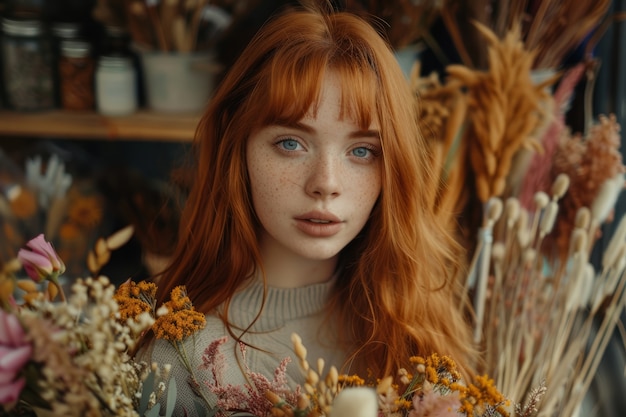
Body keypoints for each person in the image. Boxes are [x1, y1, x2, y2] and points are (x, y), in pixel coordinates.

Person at [139, 2, 477, 415]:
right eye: (290, 143)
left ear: (393, 168)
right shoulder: (181, 360)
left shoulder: (416, 326)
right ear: (237, 149)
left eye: (361, 150)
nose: (326, 184)